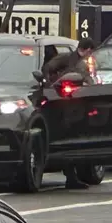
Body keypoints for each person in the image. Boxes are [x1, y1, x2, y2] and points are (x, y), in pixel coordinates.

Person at [42, 38, 97, 189]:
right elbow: (47, 68)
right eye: (90, 51)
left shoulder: (84, 63)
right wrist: (51, 85)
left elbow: (87, 79)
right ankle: (70, 176)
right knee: (67, 138)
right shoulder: (67, 58)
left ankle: (74, 176)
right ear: (87, 49)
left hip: (79, 103)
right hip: (64, 103)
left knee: (77, 139)